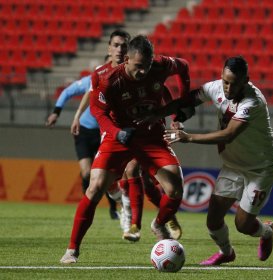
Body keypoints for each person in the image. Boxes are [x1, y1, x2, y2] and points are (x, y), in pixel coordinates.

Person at [60, 35, 190, 264]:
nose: (144, 72)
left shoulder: (160, 65)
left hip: (150, 135)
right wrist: (116, 132)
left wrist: (185, 101)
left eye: (147, 66)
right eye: (139, 67)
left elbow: (184, 67)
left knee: (176, 188)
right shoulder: (109, 79)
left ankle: (158, 223)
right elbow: (98, 111)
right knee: (95, 186)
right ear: (126, 59)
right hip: (120, 136)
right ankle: (72, 249)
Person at [141, 56, 273, 265]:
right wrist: (159, 115)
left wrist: (188, 137)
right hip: (233, 165)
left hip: (260, 167)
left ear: (246, 80)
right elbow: (186, 101)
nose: (228, 88)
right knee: (213, 221)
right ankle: (226, 252)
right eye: (225, 81)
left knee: (242, 225)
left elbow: (229, 134)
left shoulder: (253, 102)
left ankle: (266, 231)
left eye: (234, 83)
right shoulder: (214, 88)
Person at [45, 56, 119, 220]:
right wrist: (56, 112)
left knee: (105, 174)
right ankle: (87, 203)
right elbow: (67, 92)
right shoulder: (91, 81)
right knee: (86, 173)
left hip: (104, 133)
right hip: (85, 131)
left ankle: (113, 207)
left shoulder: (120, 83)